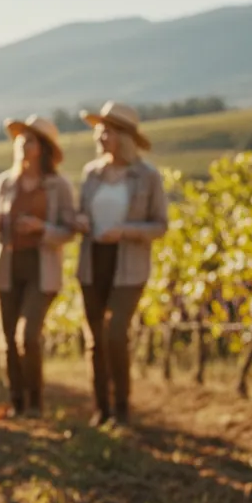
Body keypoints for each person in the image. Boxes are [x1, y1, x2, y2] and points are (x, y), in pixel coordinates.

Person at [71, 101, 167, 426]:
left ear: (123, 136)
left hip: (129, 265)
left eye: (107, 130)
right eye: (99, 129)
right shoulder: (91, 173)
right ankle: (102, 408)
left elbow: (160, 225)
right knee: (95, 338)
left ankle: (122, 405)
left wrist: (125, 232)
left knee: (115, 333)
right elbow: (79, 211)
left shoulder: (147, 177)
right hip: (93, 260)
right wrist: (80, 220)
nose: (100, 136)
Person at [0, 115, 76, 417]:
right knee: (8, 341)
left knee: (28, 335)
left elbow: (69, 230)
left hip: (41, 268)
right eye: (20, 138)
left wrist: (41, 228)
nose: (21, 143)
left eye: (29, 139)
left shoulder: (58, 186)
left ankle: (36, 401)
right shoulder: (5, 182)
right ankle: (16, 401)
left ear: (42, 148)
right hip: (8, 266)